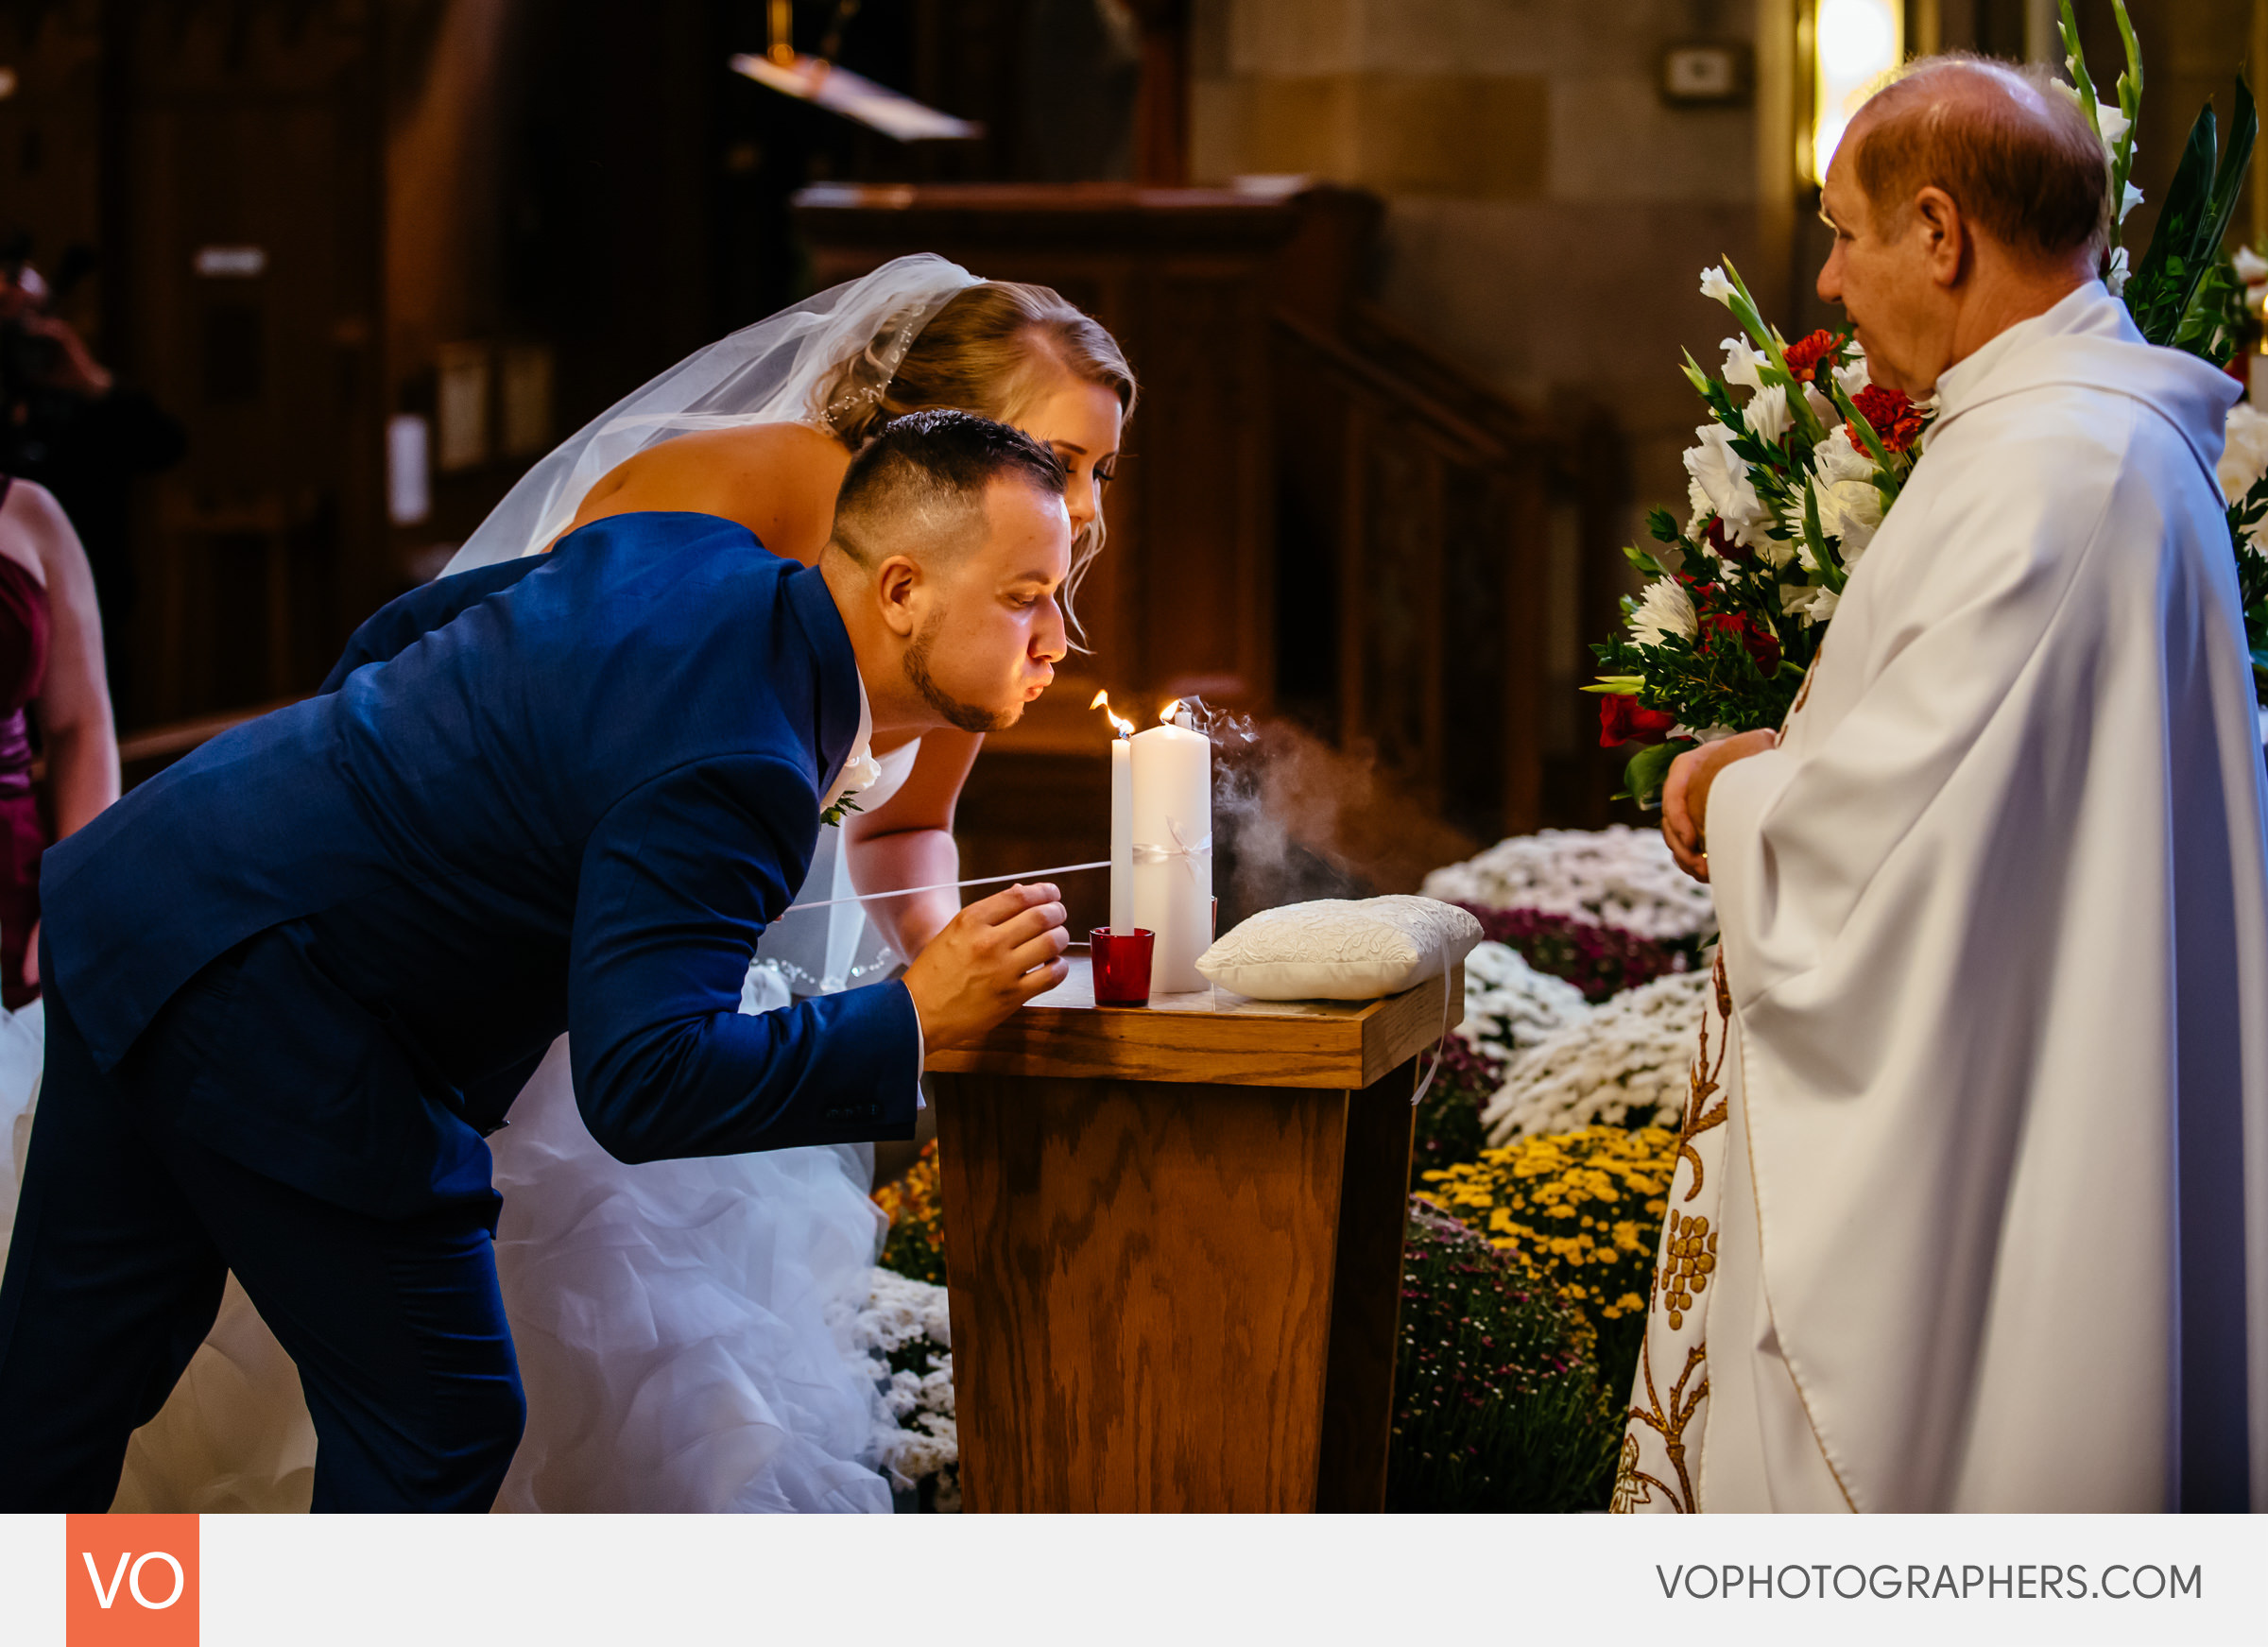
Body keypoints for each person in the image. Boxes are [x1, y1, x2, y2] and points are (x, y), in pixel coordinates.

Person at [0, 410, 1077, 1512]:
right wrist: (912, 1016)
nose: (1057, 637)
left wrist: (351, 810)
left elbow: (399, 634)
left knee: (62, 1388)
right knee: (442, 1421)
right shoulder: (741, 763)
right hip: (268, 992)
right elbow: (645, 1081)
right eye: (1024, 595)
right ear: (901, 591)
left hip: (153, 875)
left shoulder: (696, 549)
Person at [1625, 57, 2268, 1513]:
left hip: (2005, 1161)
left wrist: (1721, 792)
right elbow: (1969, 788)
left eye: (1845, 234)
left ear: (1940, 230)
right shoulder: (2069, 443)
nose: (1833, 283)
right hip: (2035, 1076)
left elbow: (1890, 846)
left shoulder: (2057, 470)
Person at [0, 253, 186, 680]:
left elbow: (166, 445)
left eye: (34, 315)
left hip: (90, 614)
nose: (23, 333)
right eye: (8, 318)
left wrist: (92, 383)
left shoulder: (86, 402)